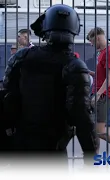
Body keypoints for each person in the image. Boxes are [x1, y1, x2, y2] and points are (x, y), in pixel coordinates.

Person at [1, 4, 98, 167]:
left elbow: (7, 92)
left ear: (45, 29)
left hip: (19, 145)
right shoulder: (74, 66)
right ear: (75, 30)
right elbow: (82, 115)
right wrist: (91, 155)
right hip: (52, 150)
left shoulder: (21, 57)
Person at [87, 27, 110, 149]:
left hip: (104, 96)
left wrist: (99, 94)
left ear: (98, 38)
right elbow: (104, 75)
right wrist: (90, 72)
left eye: (92, 41)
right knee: (95, 130)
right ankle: (94, 158)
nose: (91, 44)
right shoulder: (102, 53)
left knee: (99, 131)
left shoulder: (109, 53)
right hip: (100, 94)